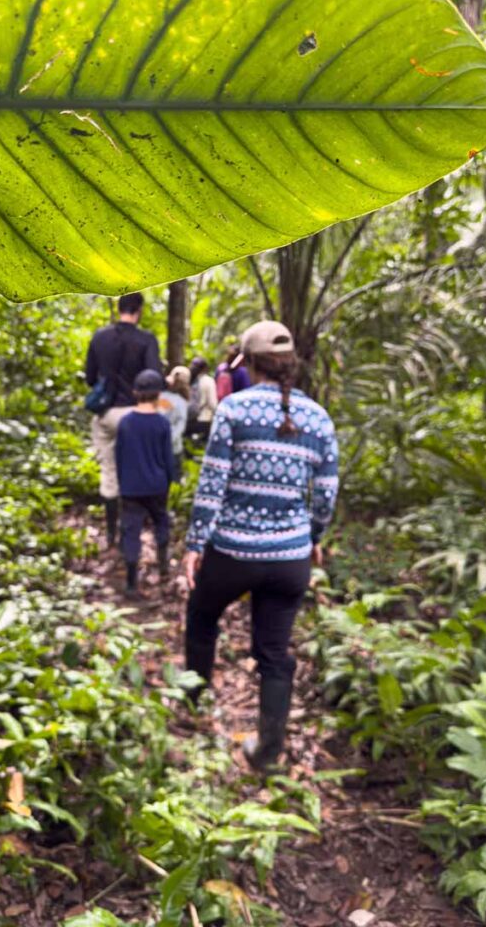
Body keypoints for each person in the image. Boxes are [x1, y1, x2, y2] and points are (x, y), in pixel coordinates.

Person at [183, 321, 339, 774]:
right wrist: (313, 538)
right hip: (289, 558)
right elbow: (327, 494)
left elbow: (212, 485)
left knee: (201, 615)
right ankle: (267, 752)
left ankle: (193, 704)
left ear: (248, 363)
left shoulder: (234, 410)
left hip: (232, 551)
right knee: (273, 653)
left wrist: (195, 544)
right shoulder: (319, 418)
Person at [85, 293, 160, 549]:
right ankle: (132, 535)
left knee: (109, 472)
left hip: (106, 414)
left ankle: (110, 535)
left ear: (119, 308)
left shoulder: (100, 336)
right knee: (134, 472)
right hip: (134, 416)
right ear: (138, 310)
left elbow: (89, 377)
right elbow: (153, 379)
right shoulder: (146, 340)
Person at [115, 370, 175, 593]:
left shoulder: (126, 423)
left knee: (131, 531)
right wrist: (169, 482)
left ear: (134, 392)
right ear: (158, 394)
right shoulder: (162, 424)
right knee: (161, 522)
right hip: (157, 485)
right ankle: (163, 567)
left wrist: (123, 483)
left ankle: (131, 583)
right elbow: (168, 458)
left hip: (131, 486)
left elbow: (119, 456)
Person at [158, 366, 190, 483]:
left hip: (158, 446)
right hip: (174, 448)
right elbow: (180, 427)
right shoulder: (182, 401)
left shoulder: (160, 396)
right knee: (174, 481)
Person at [186, 357, 218, 439]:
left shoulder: (188, 379)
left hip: (189, 420)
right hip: (205, 421)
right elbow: (212, 404)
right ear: (205, 368)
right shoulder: (208, 381)